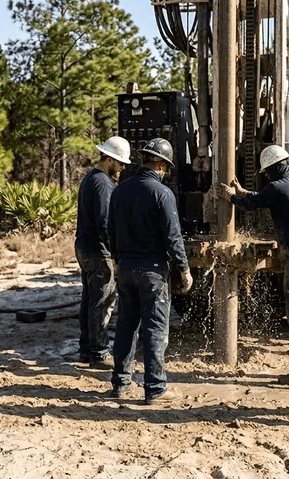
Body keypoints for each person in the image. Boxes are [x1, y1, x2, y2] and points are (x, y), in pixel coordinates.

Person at [218, 145, 289, 385]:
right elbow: (263, 197)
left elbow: (251, 205)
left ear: (273, 169)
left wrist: (231, 197)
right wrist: (243, 190)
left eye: (267, 172)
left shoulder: (277, 187)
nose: (266, 176)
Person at [107, 138, 193, 404]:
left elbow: (110, 231)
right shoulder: (162, 194)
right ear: (160, 164)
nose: (165, 173)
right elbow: (173, 238)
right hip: (153, 271)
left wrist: (117, 261)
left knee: (125, 326)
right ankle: (155, 388)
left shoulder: (119, 191)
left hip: (126, 267)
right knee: (155, 329)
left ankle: (121, 383)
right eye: (165, 167)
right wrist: (184, 269)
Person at [74, 136, 132, 368]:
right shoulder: (103, 183)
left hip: (85, 248)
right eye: (120, 163)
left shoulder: (90, 178)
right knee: (103, 301)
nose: (123, 168)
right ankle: (98, 353)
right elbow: (105, 222)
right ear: (109, 159)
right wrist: (116, 254)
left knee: (89, 299)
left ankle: (86, 350)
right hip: (99, 251)